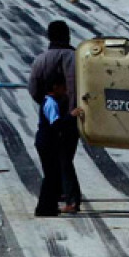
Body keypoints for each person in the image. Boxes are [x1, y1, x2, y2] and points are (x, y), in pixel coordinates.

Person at [27, 20, 82, 213]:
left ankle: (59, 193)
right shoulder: (77, 59)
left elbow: (34, 90)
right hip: (73, 117)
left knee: (55, 161)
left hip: (50, 123)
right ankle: (70, 197)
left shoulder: (40, 60)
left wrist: (47, 105)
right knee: (66, 157)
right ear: (67, 35)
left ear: (49, 36)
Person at [34, 76, 71, 217]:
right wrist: (71, 117)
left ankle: (50, 206)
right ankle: (44, 207)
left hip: (47, 141)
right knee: (51, 176)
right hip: (47, 141)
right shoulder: (51, 103)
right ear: (55, 87)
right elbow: (56, 124)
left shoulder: (50, 102)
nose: (65, 90)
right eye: (63, 87)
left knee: (53, 175)